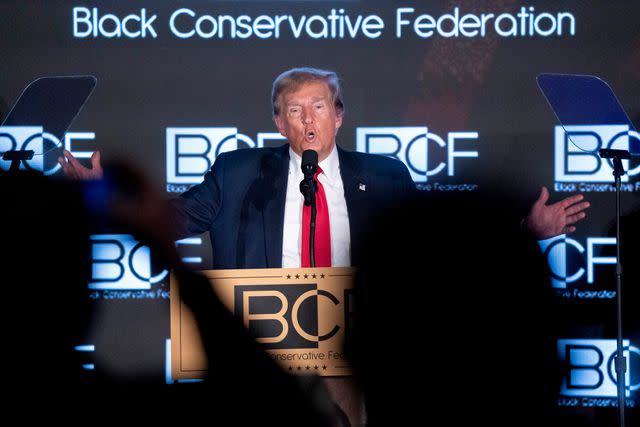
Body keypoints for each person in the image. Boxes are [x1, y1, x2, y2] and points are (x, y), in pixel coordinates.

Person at [58, 67, 589, 261]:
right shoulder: (238, 173)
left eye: (319, 107)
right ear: (278, 124)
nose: (307, 119)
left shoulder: (385, 177)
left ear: (339, 118)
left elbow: (438, 248)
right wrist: (102, 192)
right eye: (295, 110)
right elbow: (169, 221)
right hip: (264, 351)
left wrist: (528, 230)